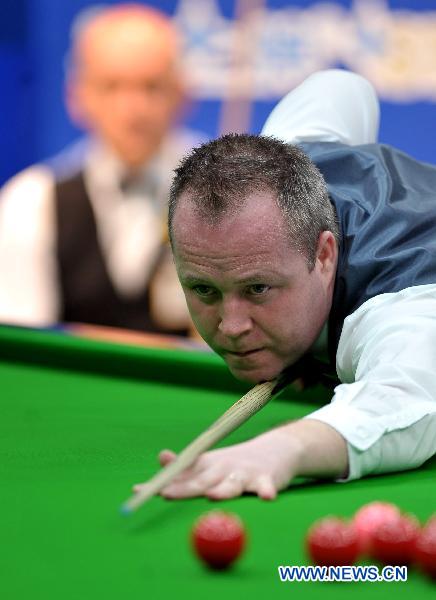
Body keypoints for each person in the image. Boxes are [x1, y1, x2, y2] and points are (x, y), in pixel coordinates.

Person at [134, 69, 436, 501]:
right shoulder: (291, 153)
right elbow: (344, 87)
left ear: (325, 256)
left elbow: (405, 406)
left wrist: (282, 449)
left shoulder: (400, 306)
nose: (232, 326)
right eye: (204, 291)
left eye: (257, 289)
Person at [0, 3, 202, 334]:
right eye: (112, 86)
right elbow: (25, 346)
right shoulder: (32, 201)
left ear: (183, 94)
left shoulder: (223, 196)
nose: (133, 109)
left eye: (151, 86)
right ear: (76, 96)